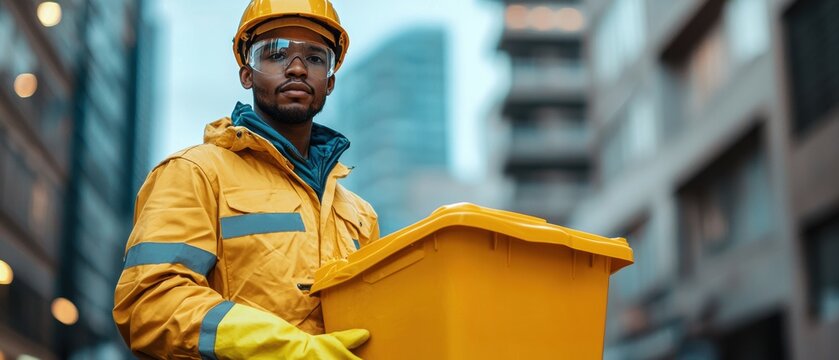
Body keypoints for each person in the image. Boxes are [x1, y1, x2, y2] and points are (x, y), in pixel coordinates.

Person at [112, 0, 379, 358]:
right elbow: (150, 304)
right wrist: (284, 350)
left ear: (329, 81)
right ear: (247, 73)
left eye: (315, 58)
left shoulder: (360, 215)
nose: (297, 68)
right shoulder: (196, 173)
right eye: (276, 53)